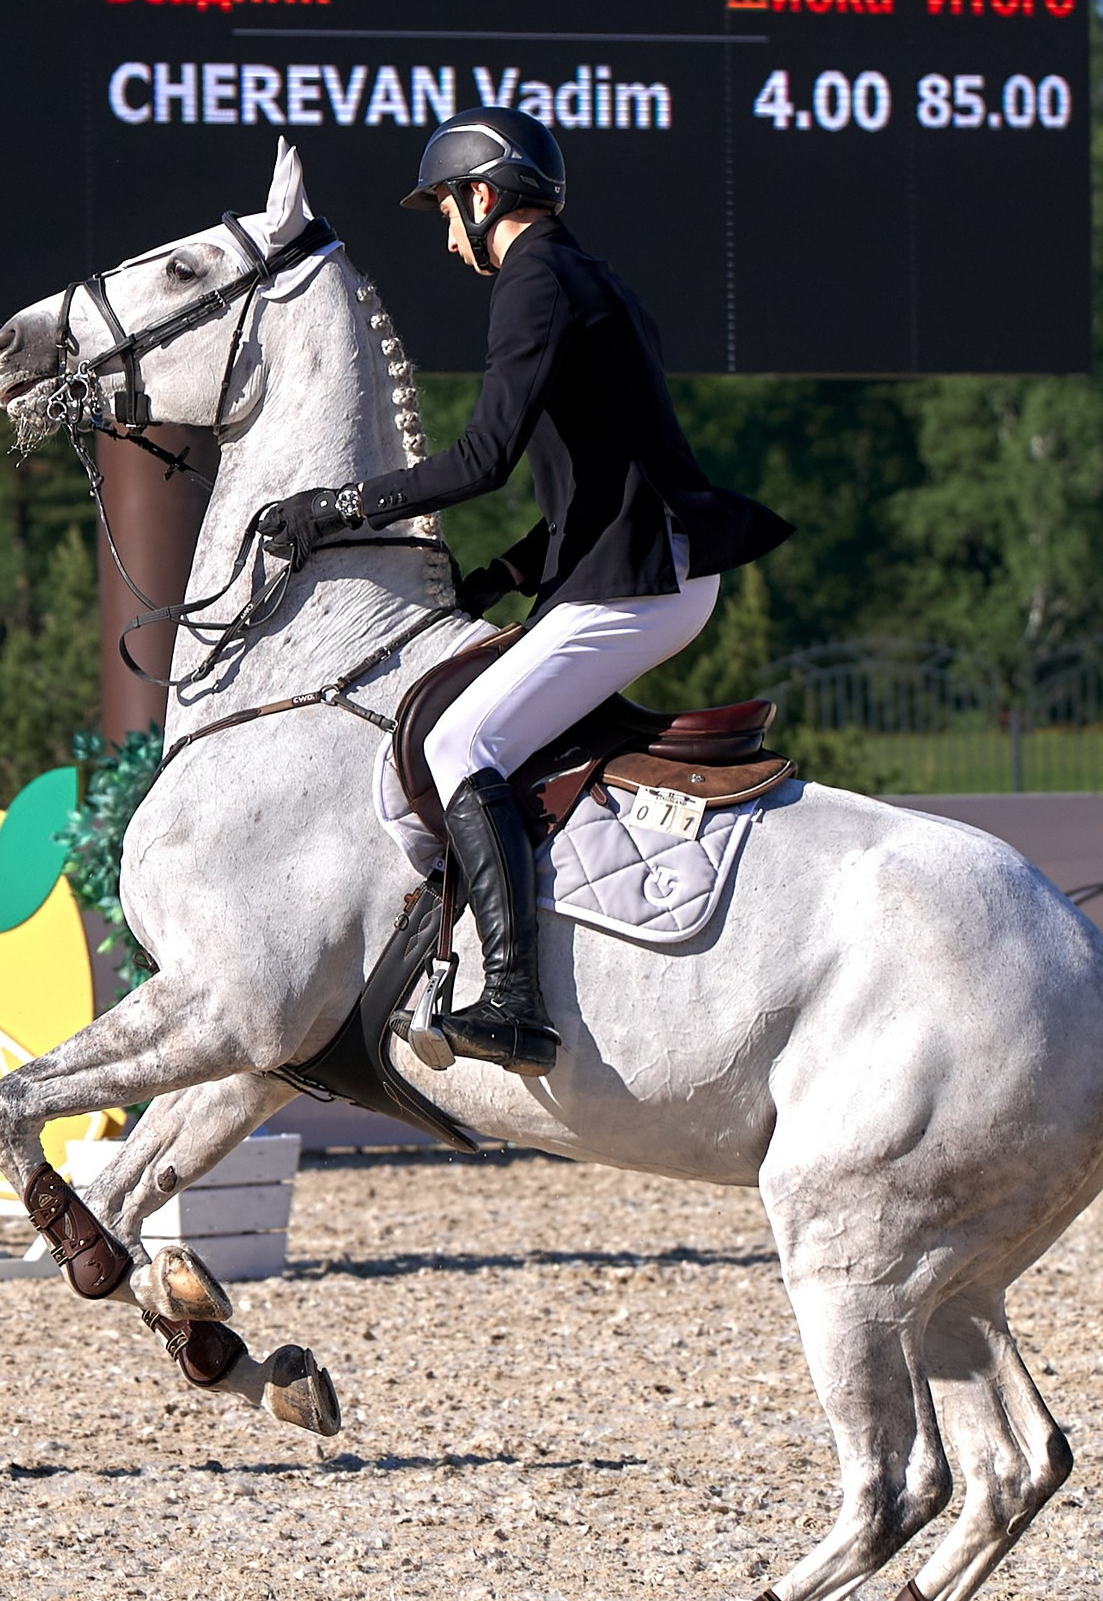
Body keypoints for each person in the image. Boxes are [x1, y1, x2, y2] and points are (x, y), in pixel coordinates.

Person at [255, 108, 790, 1077]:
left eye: (447, 211)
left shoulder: (531, 280)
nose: (448, 235)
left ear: (483, 194)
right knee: (484, 732)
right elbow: (596, 472)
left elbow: (482, 458)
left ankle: (513, 1000)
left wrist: (336, 507)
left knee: (462, 742)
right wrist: (503, 572)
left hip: (636, 583)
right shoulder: (593, 280)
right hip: (640, 567)